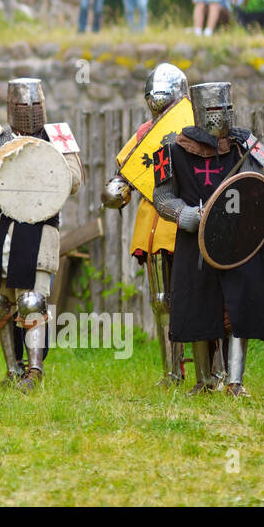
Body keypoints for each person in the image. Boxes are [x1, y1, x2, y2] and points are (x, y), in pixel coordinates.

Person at [152, 83, 264, 396]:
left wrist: (252, 144)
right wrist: (182, 214)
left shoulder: (243, 146)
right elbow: (162, 196)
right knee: (199, 303)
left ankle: (235, 381)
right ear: (201, 113)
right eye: (215, 110)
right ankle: (204, 380)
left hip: (239, 239)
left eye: (227, 109)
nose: (223, 116)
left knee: (238, 305)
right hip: (194, 239)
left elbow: (260, 179)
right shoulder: (171, 149)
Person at [0, 78, 83, 391]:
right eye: (22, 104)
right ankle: (12, 370)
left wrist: (44, 162)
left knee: (32, 300)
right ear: (10, 105)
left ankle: (34, 370)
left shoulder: (57, 135)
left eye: (34, 104)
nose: (29, 110)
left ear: (44, 103)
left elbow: (74, 180)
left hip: (38, 225)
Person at [102, 63, 196, 384]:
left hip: (183, 218)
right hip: (152, 221)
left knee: (192, 296)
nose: (156, 100)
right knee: (161, 301)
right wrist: (118, 188)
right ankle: (172, 371)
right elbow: (127, 170)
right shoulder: (145, 133)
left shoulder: (191, 128)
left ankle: (206, 368)